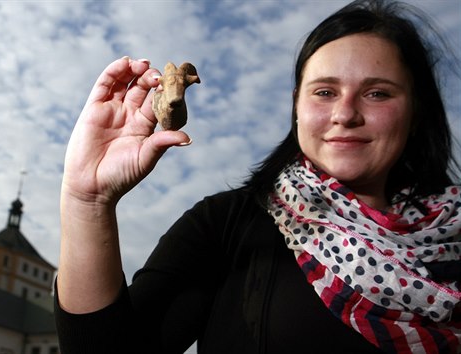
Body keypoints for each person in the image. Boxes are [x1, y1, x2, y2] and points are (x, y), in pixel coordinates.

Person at [54, 0, 461, 353]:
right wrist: (86, 202)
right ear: (296, 106)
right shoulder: (225, 225)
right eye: (324, 92)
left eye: (377, 93)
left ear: (415, 112)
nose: (345, 114)